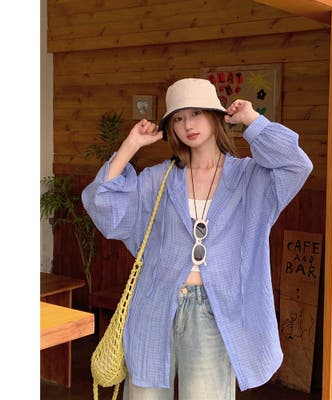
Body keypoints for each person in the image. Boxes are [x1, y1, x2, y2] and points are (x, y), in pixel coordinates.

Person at [82, 78, 313, 400]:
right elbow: (102, 202)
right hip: (154, 304)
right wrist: (131, 144)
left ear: (215, 116)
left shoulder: (250, 178)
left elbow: (296, 164)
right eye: (178, 118)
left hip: (214, 309)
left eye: (196, 113)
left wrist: (252, 120)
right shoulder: (158, 178)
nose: (188, 125)